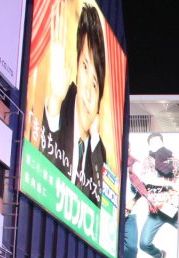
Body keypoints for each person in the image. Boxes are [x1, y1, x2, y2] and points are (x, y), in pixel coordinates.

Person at [39, 1, 109, 206]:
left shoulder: (98, 149)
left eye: (95, 84)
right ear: (76, 69)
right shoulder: (59, 106)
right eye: (85, 67)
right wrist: (54, 102)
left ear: (100, 101)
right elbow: (43, 180)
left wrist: (95, 135)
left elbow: (103, 206)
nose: (87, 89)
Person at [121, 132, 179, 258]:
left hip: (171, 207)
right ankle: (159, 257)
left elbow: (178, 176)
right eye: (153, 142)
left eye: (158, 141)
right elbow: (147, 181)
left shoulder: (171, 158)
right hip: (155, 210)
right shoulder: (145, 163)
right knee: (143, 243)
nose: (156, 144)